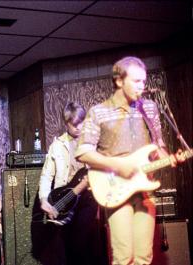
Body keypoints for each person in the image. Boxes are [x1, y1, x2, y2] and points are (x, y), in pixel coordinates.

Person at [75, 56, 181, 265]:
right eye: (136, 81)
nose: (142, 86)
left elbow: (158, 144)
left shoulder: (149, 108)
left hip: (144, 188)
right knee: (123, 258)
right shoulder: (99, 112)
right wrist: (119, 165)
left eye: (144, 81)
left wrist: (165, 156)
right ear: (119, 81)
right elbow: (83, 152)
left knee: (144, 257)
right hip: (116, 189)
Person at [38, 102, 98, 265]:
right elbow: (46, 176)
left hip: (88, 199)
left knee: (83, 246)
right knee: (63, 250)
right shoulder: (57, 146)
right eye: (74, 124)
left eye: (82, 123)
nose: (79, 128)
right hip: (64, 201)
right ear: (66, 124)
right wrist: (44, 200)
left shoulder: (93, 144)